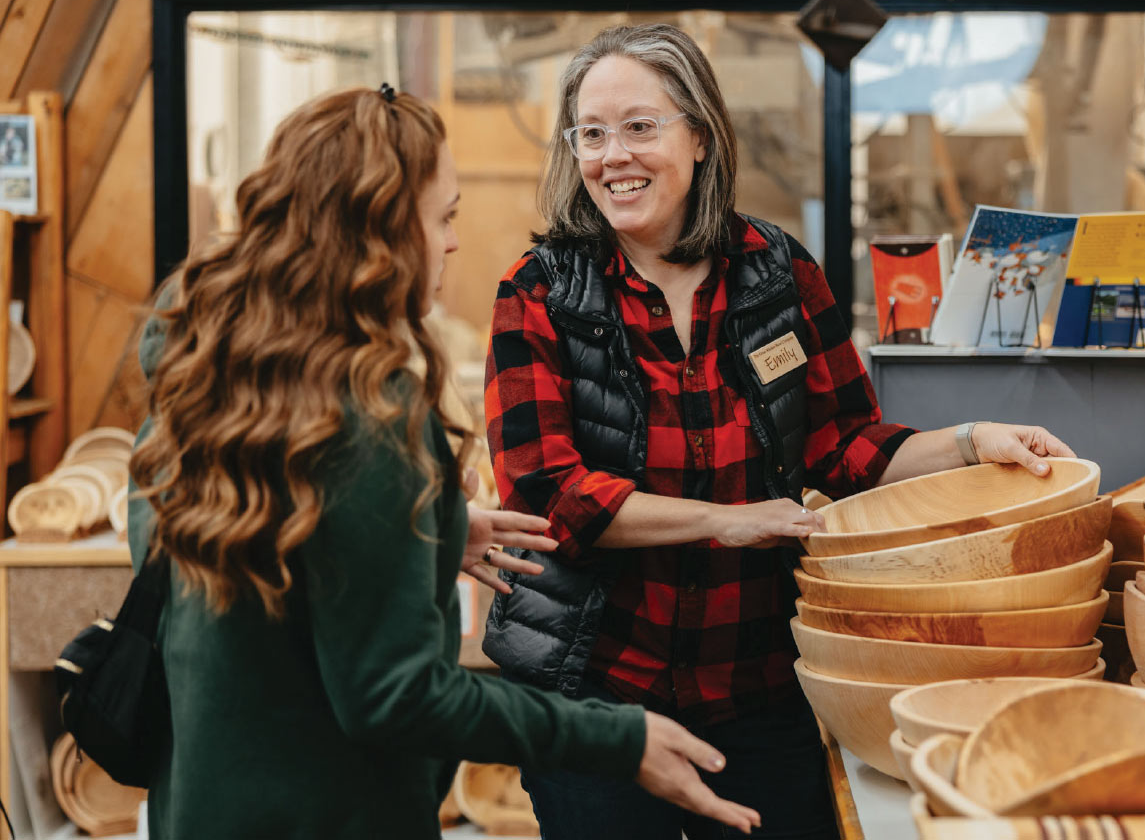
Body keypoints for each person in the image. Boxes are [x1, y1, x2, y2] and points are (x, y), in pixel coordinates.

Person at [483, 24, 1076, 839]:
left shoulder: (776, 270)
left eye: (640, 127)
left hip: (756, 683)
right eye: (592, 133)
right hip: (596, 693)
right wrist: (732, 522)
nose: (612, 155)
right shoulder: (541, 291)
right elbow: (549, 497)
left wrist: (972, 440)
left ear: (699, 135)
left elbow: (847, 444)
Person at [127, 85, 761, 840]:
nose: (454, 242)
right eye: (445, 216)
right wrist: (618, 737)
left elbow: (217, 567)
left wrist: (421, 532)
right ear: (384, 232)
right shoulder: (367, 409)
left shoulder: (209, 368)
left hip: (201, 805)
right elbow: (396, 696)